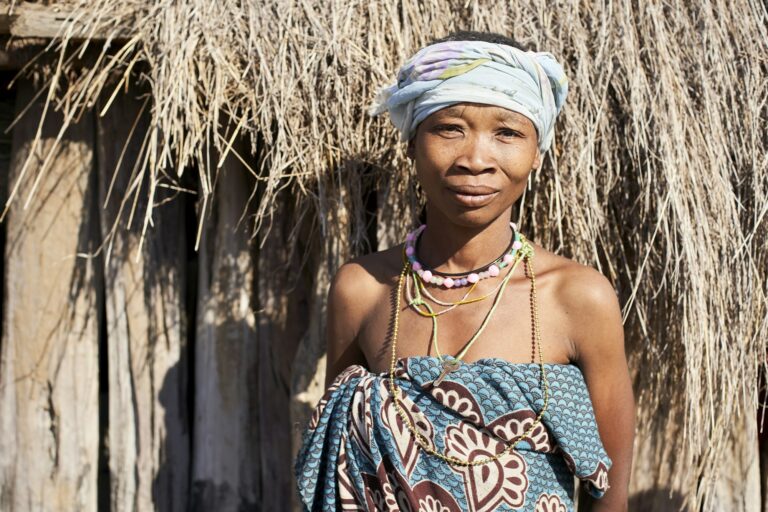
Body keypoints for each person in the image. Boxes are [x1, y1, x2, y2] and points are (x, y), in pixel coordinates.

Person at [295, 30, 635, 512]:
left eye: (508, 133)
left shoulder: (578, 299)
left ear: (537, 153)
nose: (476, 159)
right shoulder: (363, 290)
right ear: (412, 143)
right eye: (450, 128)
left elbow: (610, 496)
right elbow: (338, 463)